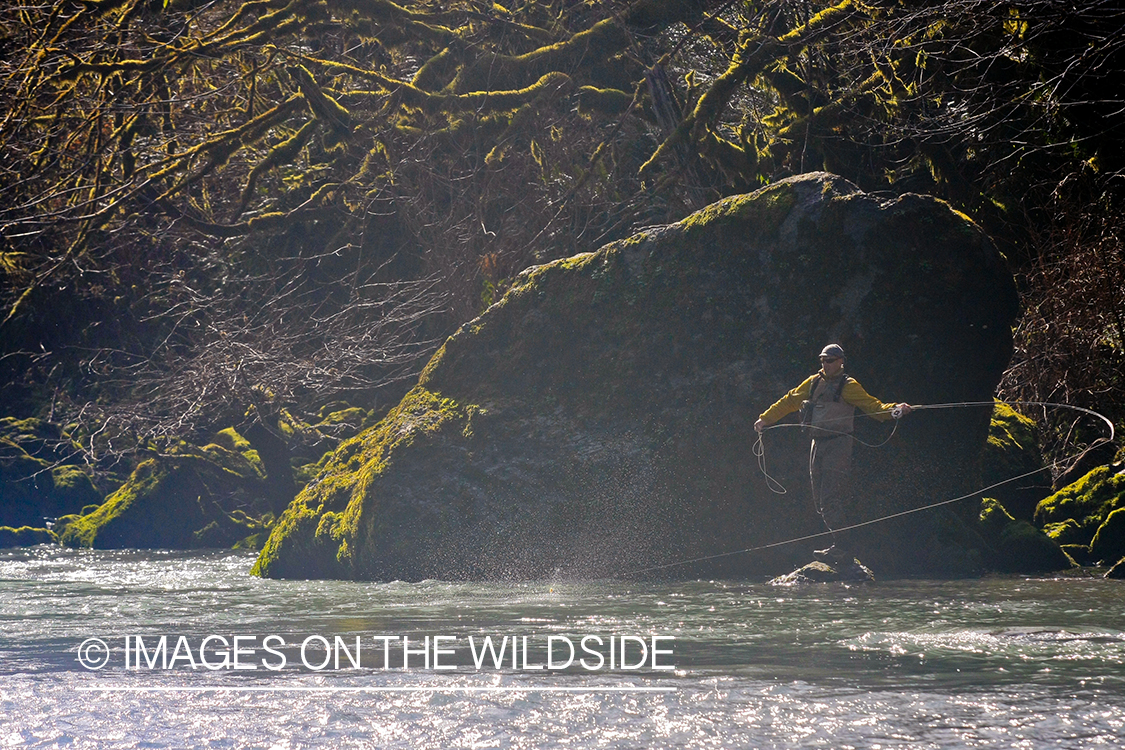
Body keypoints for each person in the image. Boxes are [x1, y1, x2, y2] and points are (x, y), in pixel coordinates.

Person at [754, 344, 912, 563]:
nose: (825, 365)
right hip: (816, 444)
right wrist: (765, 419)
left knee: (830, 497)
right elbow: (789, 400)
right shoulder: (813, 382)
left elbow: (873, 406)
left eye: (830, 361)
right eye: (823, 361)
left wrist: (895, 410)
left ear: (840, 361)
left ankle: (843, 547)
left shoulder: (849, 385)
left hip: (839, 445)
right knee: (820, 500)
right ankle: (839, 544)